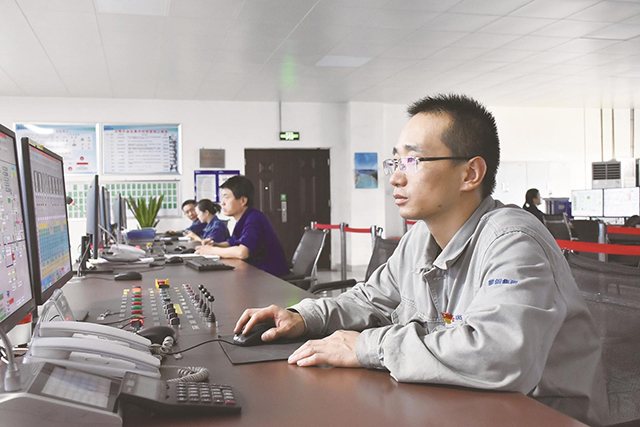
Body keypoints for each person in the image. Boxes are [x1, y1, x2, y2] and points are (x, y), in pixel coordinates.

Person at [233, 94, 608, 426]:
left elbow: (499, 354)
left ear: (470, 173)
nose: (395, 178)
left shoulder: (512, 240)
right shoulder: (420, 237)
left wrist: (366, 346)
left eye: (413, 161)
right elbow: (370, 299)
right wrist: (304, 316)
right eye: (394, 161)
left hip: (536, 414)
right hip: (459, 403)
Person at [196, 176, 290, 277]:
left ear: (243, 201)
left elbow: (242, 252)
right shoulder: (243, 219)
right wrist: (216, 245)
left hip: (272, 278)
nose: (222, 203)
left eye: (226, 197)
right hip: (257, 274)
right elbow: (233, 243)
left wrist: (212, 251)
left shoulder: (254, 218)